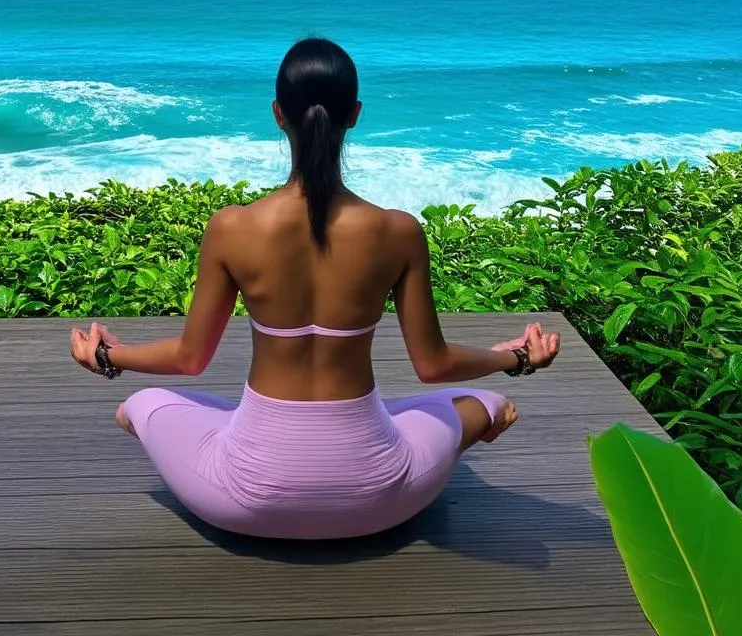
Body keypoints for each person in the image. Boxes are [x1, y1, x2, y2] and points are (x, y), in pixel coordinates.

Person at [70, 37, 560, 540]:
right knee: (485, 402)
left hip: (245, 498)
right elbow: (434, 366)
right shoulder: (397, 230)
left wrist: (111, 355)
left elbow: (189, 360)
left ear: (278, 113)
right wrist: (515, 357)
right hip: (379, 498)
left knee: (141, 406)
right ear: (355, 115)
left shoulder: (233, 228)